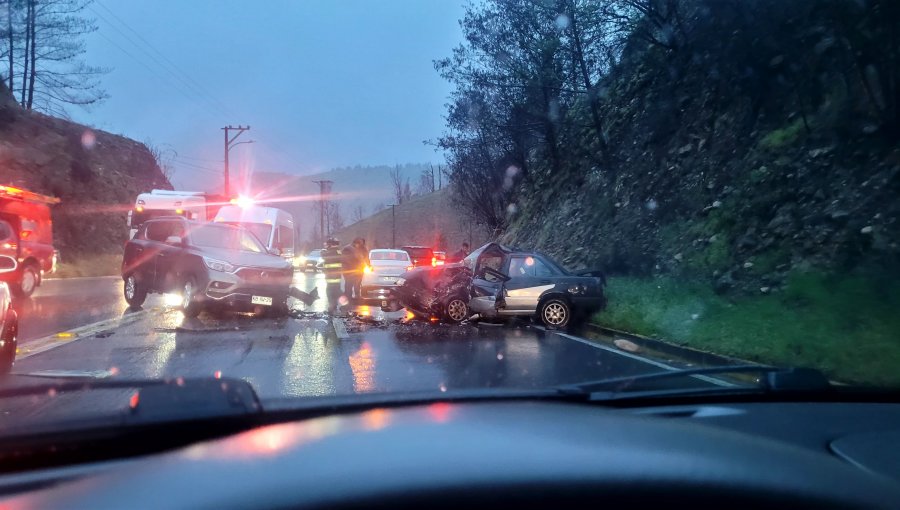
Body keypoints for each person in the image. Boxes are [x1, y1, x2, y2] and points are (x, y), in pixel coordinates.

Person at [322, 238, 344, 314]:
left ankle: (333, 307)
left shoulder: (330, 252)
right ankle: (335, 306)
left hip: (331, 277)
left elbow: (323, 255)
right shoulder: (339, 252)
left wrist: (323, 251)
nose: (326, 246)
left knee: (330, 292)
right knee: (336, 291)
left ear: (330, 245)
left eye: (327, 244)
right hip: (337, 277)